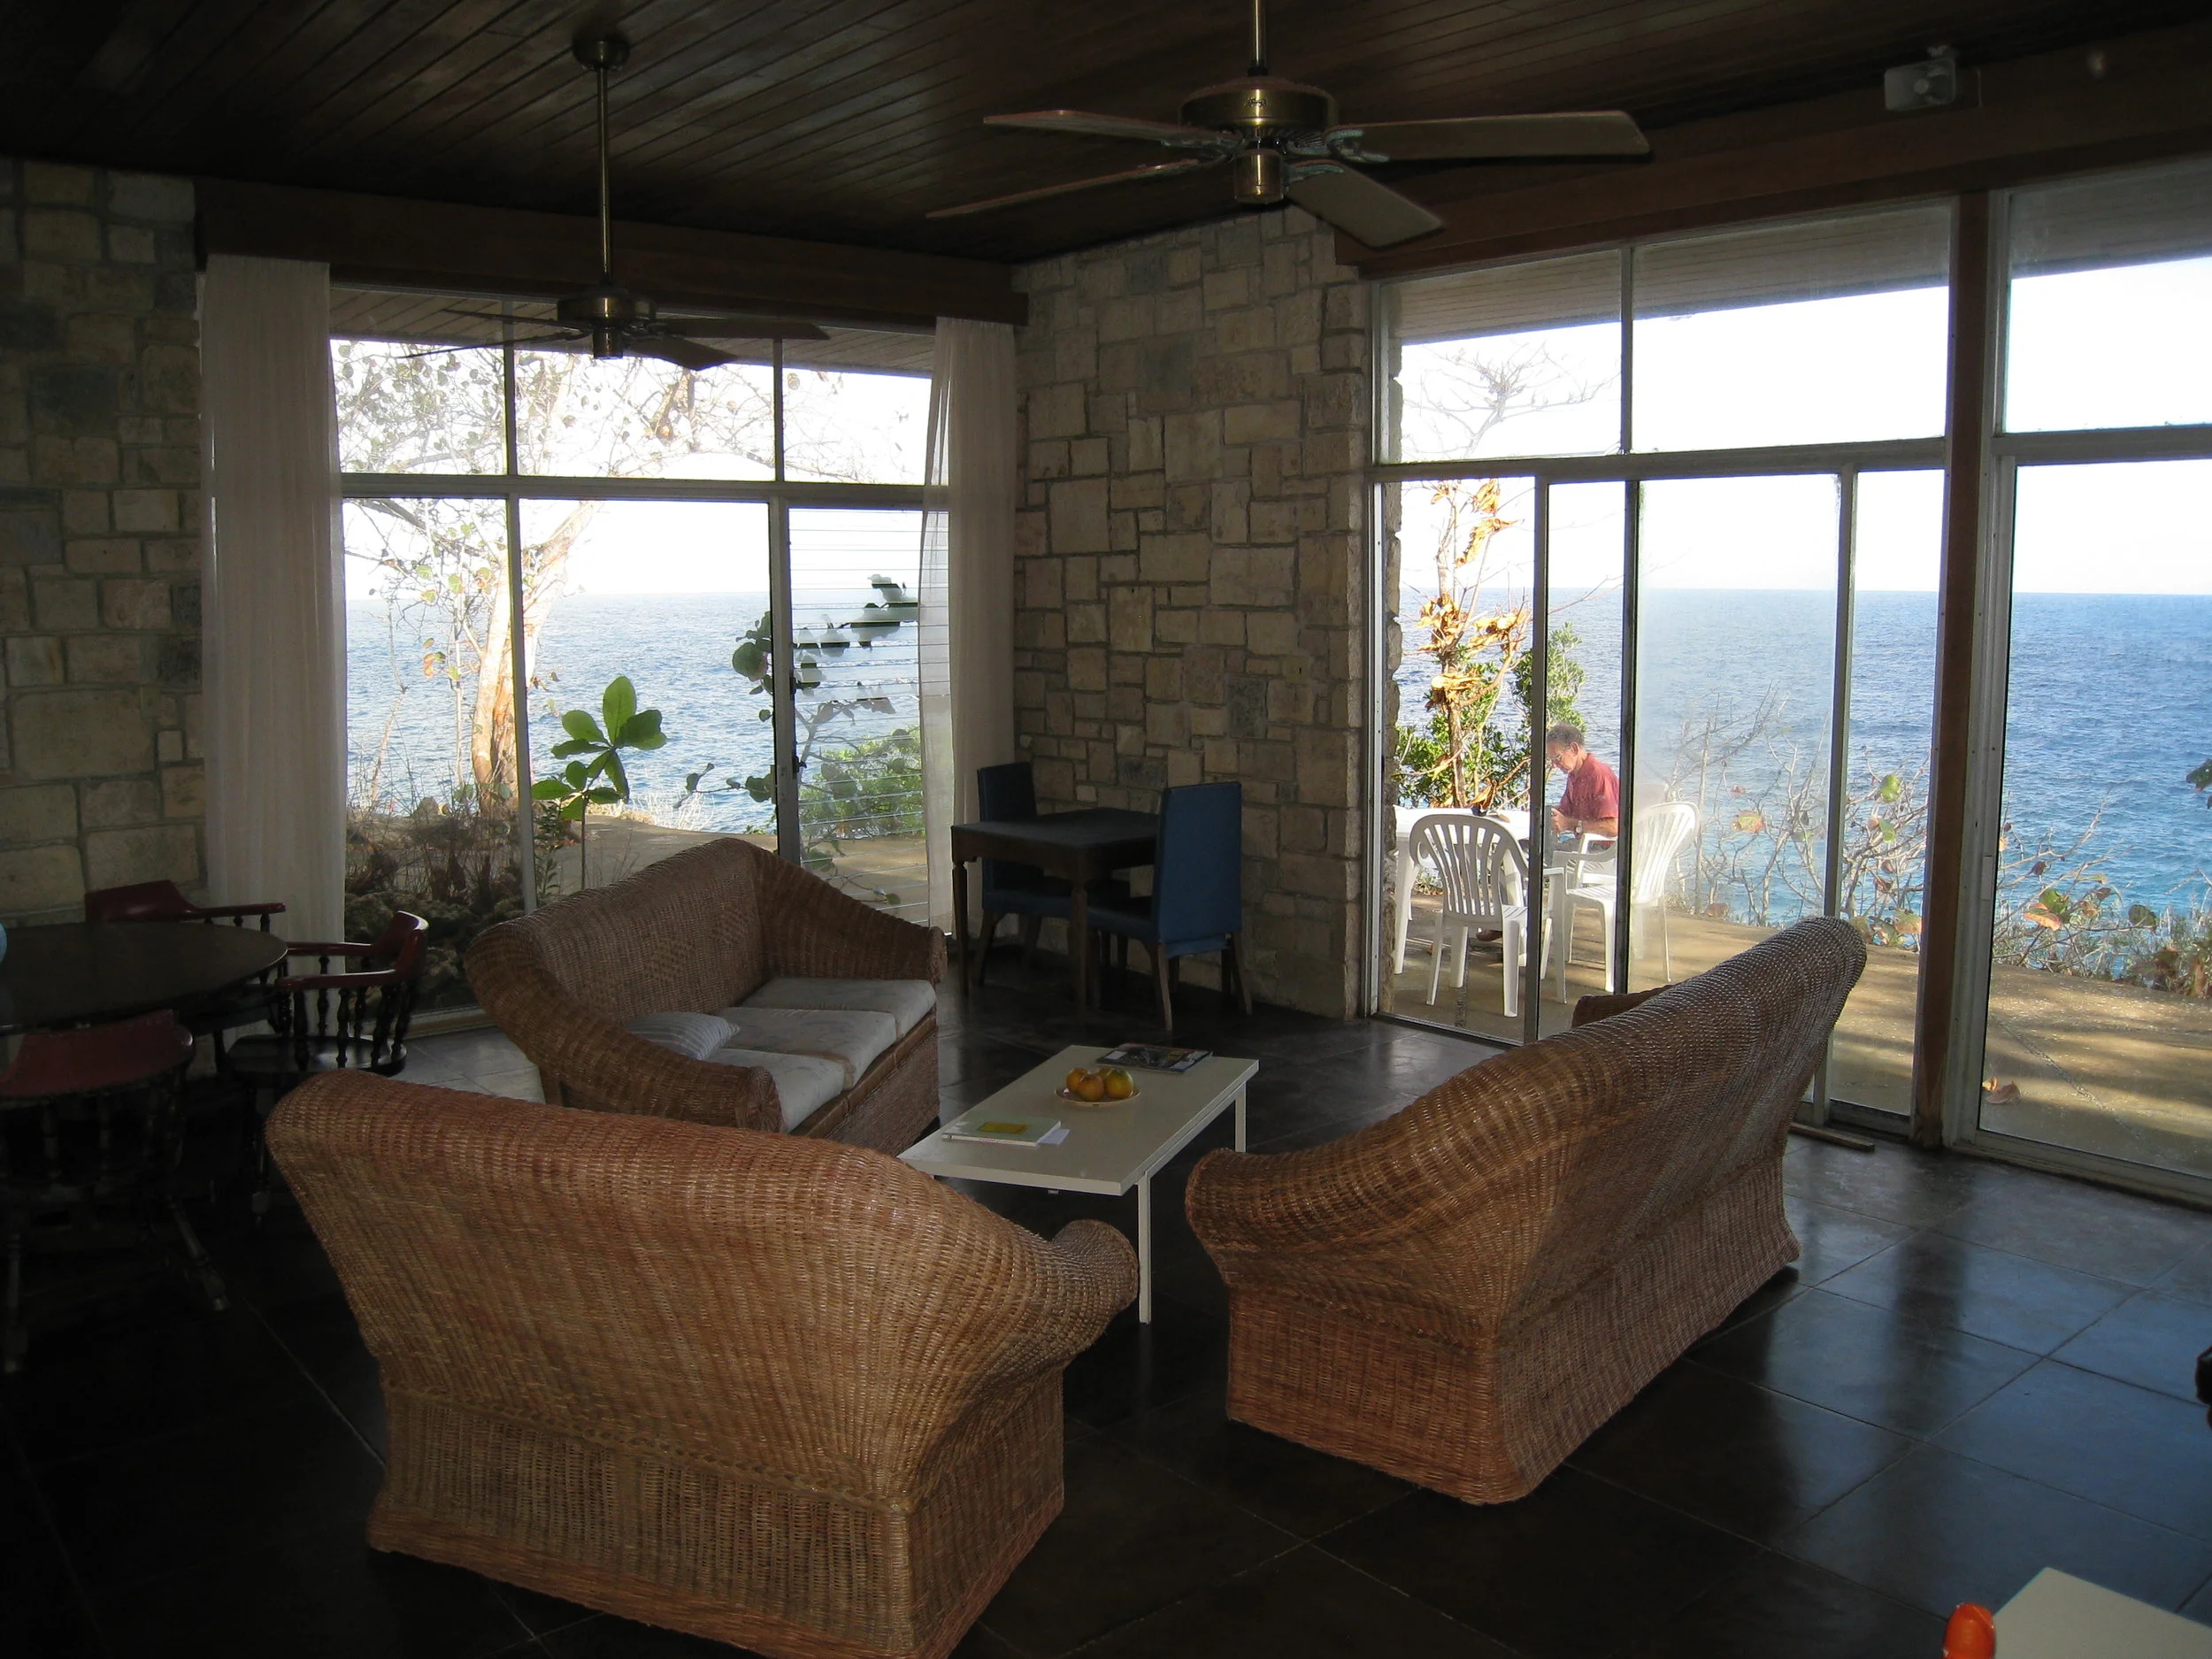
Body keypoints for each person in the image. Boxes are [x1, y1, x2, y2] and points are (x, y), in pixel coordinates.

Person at [1546, 722, 1619, 840]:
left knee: (1532, 853)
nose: (1554, 766)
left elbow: (1613, 827)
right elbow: (1566, 810)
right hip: (1585, 847)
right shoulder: (1574, 773)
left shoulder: (1599, 775)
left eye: (1557, 758)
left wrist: (1570, 824)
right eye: (1551, 760)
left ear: (1574, 749)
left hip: (1600, 851)